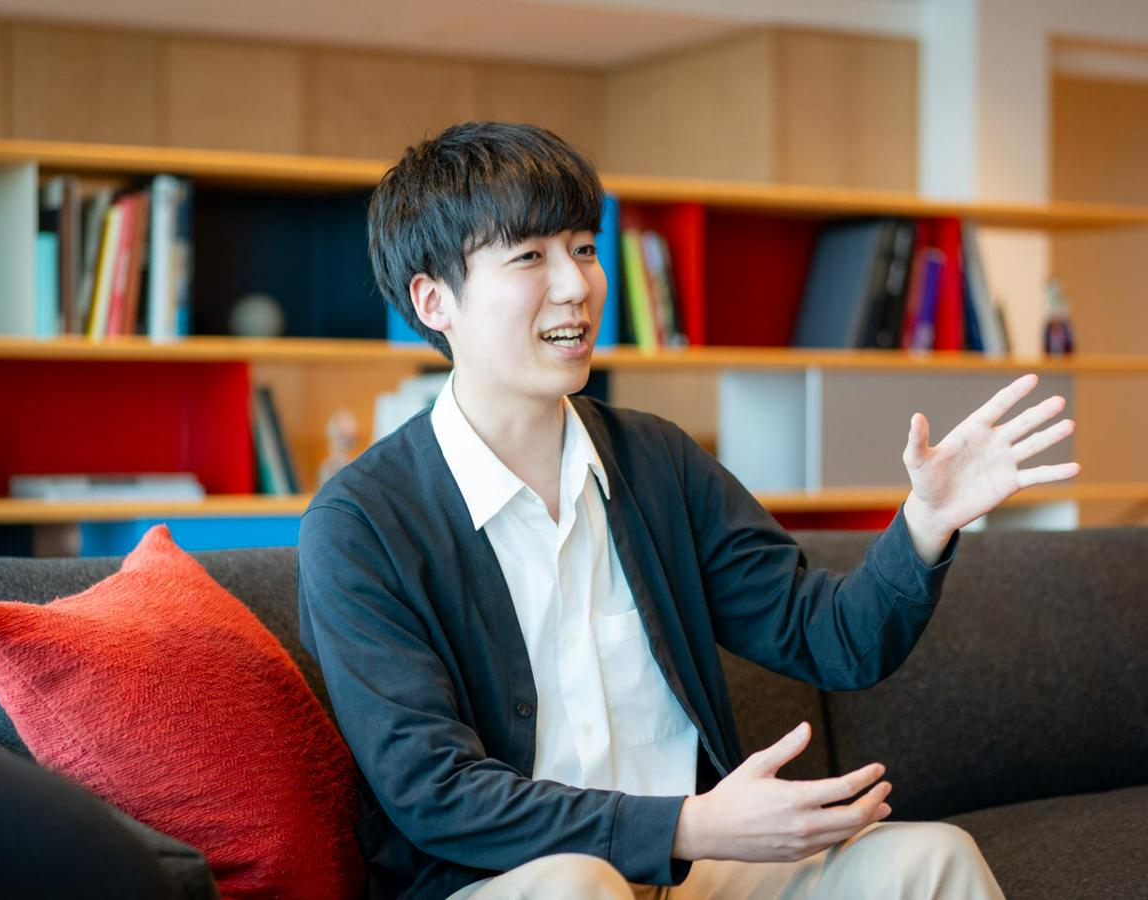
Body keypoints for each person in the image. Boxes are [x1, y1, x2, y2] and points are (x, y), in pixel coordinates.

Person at [298, 121, 1079, 899]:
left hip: (692, 873)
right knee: (578, 888)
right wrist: (689, 826)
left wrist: (928, 522)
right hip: (510, 881)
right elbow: (435, 792)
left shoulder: (656, 462)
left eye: (584, 248)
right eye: (530, 256)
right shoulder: (361, 524)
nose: (576, 285)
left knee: (934, 858)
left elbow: (835, 638)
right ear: (434, 299)